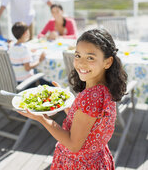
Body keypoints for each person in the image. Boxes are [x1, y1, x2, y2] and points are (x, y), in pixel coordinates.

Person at [17, 29, 127, 169]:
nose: (81, 63)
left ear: (107, 62)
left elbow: (73, 145)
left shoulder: (90, 97)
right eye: (78, 55)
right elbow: (86, 124)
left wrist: (42, 119)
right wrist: (64, 104)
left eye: (90, 57)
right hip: (96, 160)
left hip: (77, 164)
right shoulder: (103, 89)